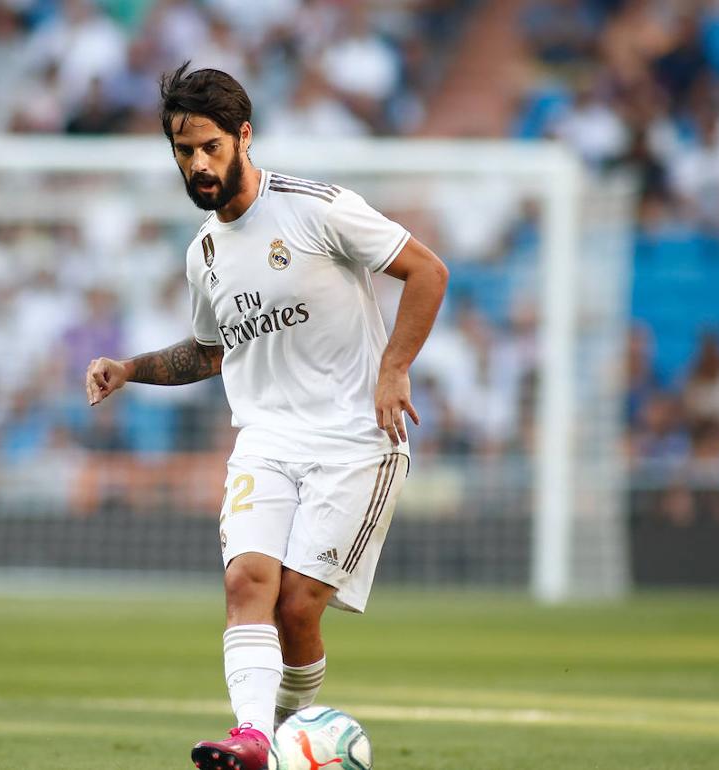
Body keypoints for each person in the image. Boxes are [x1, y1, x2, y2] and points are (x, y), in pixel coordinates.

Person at [83, 63, 448, 770]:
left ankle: (283, 739)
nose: (198, 163)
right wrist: (129, 369)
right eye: (184, 150)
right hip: (266, 438)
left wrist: (394, 367)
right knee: (247, 580)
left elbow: (428, 271)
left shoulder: (318, 208)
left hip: (355, 439)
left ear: (243, 137)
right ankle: (253, 739)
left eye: (210, 146)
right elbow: (208, 351)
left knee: (297, 608)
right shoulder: (204, 254)